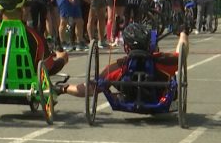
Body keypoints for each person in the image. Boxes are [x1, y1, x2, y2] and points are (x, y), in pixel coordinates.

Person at [57, 23, 188, 98]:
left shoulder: (118, 66)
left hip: (127, 97)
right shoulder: (162, 60)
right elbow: (182, 53)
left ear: (126, 47)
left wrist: (63, 88)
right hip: (158, 98)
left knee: (101, 82)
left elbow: (90, 89)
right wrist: (182, 33)